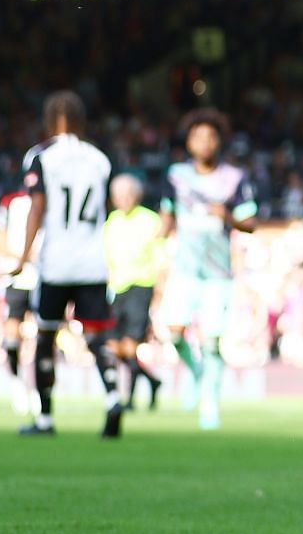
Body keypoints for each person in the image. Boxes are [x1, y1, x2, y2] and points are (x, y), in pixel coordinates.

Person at [10, 91, 123, 439]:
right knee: (97, 338)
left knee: (45, 336)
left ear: (48, 120)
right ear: (81, 120)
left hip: (57, 262)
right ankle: (114, 397)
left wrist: (23, 256)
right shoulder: (100, 159)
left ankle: (44, 419)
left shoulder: (41, 156)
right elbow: (108, 205)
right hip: (92, 261)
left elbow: (37, 207)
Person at [160, 109, 260, 431]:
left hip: (218, 273)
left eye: (210, 136)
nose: (204, 142)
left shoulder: (234, 177)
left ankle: (210, 403)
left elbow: (251, 222)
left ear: (219, 142)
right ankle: (195, 370)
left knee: (212, 341)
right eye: (198, 136)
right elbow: (166, 216)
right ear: (188, 142)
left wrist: (227, 217)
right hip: (184, 270)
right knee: (174, 332)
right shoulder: (176, 176)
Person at [104, 174, 165, 409]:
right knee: (115, 347)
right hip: (117, 289)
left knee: (130, 345)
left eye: (127, 194)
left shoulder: (150, 221)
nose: (123, 199)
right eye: (118, 196)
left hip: (141, 285)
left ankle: (128, 398)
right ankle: (152, 381)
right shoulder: (112, 222)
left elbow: (160, 259)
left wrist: (159, 292)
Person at [0, 189, 37, 417]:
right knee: (12, 333)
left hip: (42, 275)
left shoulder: (52, 197)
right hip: (16, 274)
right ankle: (17, 383)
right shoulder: (10, 201)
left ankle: (40, 387)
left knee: (43, 333)